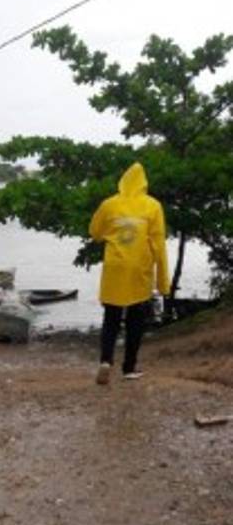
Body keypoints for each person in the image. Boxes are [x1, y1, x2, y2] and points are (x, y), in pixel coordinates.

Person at [89, 162, 170, 384]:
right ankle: (129, 368)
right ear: (144, 183)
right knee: (136, 320)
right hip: (139, 269)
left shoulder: (109, 204)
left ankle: (106, 360)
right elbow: (159, 245)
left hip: (115, 267)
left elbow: (95, 233)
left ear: (123, 181)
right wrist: (163, 282)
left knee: (111, 318)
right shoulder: (153, 206)